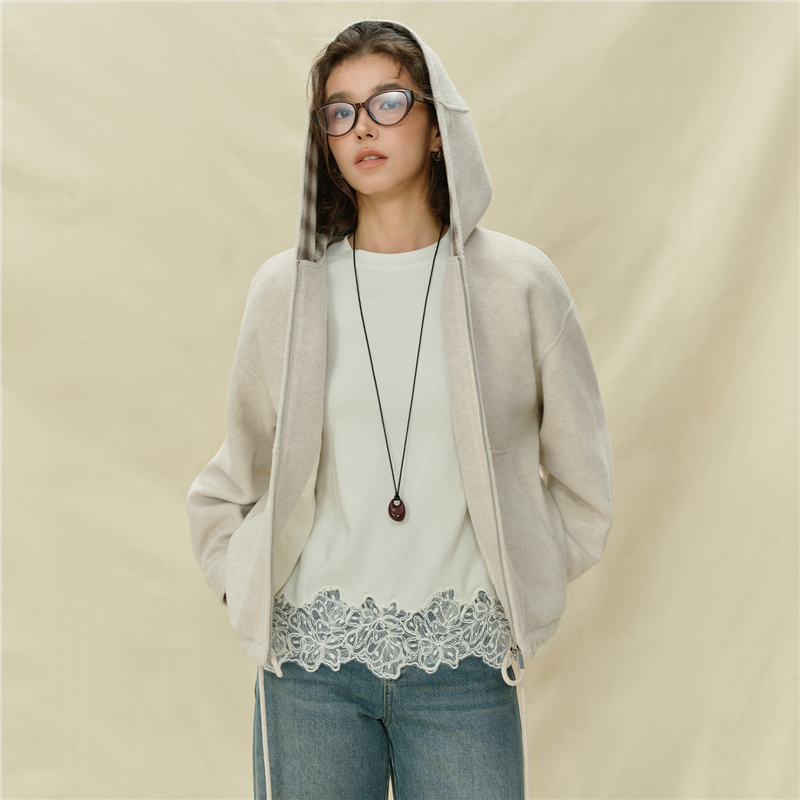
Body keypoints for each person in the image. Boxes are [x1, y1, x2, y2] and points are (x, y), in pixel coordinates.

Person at [187, 18, 613, 800]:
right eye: (339, 111)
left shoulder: (520, 285)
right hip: (309, 669)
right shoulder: (285, 291)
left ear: (438, 125)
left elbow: (584, 483)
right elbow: (232, 478)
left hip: (465, 668)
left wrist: (525, 574)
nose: (362, 128)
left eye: (388, 102)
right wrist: (239, 578)